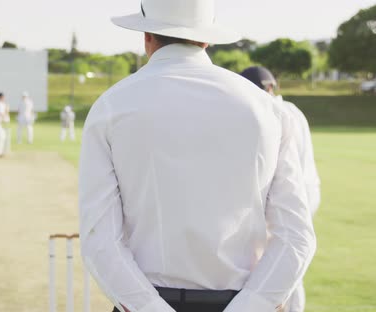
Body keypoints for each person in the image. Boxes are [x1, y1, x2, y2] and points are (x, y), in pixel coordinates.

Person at [78, 1, 317, 312]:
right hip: (241, 301)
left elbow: (100, 242)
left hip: (148, 302)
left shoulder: (111, 107)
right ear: (207, 38)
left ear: (147, 36)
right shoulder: (266, 109)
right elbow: (296, 238)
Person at [241, 66, 321, 312]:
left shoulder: (274, 113)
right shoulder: (293, 112)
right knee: (288, 274)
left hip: (281, 202)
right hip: (303, 198)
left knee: (278, 275)